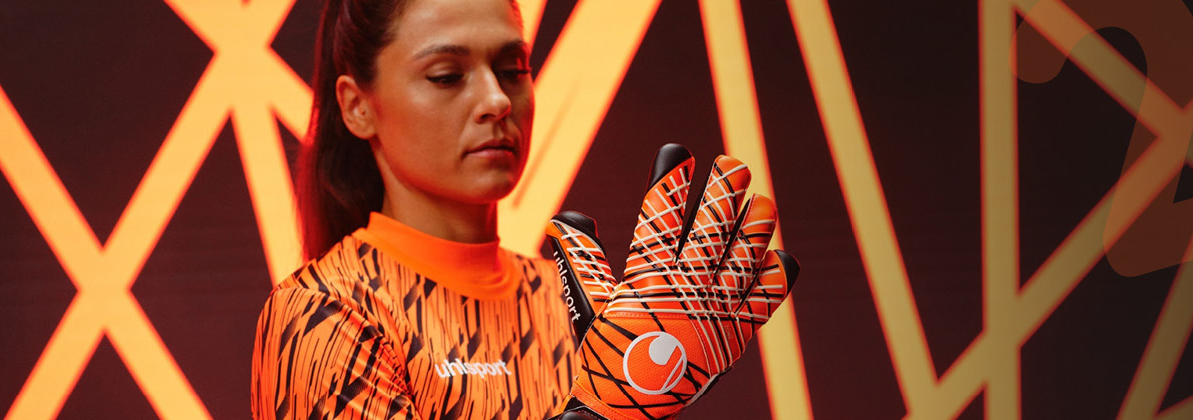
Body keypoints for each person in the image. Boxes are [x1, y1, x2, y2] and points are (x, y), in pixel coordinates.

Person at [250, 0, 798, 418]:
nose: (496, 100)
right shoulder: (324, 312)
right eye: (446, 75)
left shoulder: (579, 300)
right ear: (357, 107)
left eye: (513, 68)